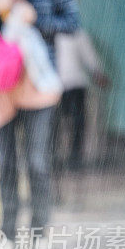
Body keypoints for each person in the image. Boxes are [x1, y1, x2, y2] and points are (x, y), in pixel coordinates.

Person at [0, 0, 79, 249]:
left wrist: (37, 19)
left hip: (39, 82)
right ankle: (8, 235)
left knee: (37, 161)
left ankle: (40, 233)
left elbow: (72, 21)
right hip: (1, 83)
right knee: (5, 162)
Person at [53, 28, 106, 171]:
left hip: (67, 85)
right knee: (70, 122)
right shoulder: (69, 32)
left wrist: (98, 73)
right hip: (58, 86)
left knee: (71, 122)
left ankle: (71, 157)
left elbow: (89, 56)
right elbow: (90, 57)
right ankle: (65, 157)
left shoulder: (74, 33)